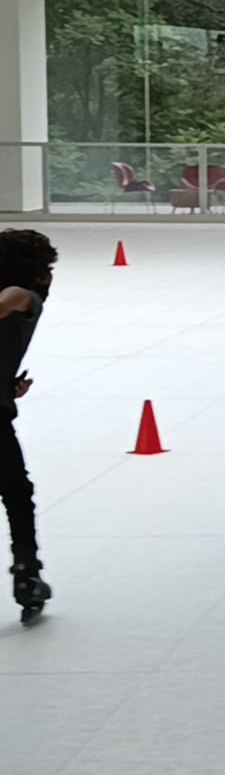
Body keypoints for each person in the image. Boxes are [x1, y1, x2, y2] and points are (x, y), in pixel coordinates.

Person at [0, 230, 55, 625]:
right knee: (17, 493)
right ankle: (27, 571)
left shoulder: (20, 296)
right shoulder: (27, 296)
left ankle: (28, 570)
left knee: (18, 490)